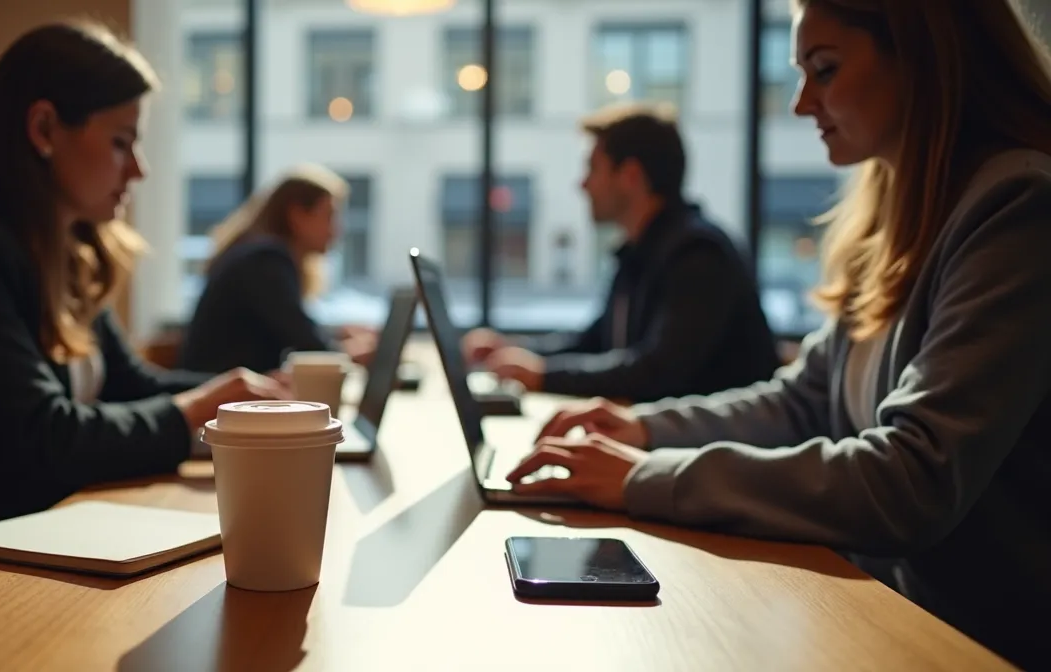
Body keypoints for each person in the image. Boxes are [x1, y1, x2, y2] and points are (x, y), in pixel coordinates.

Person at [508, 1, 1051, 667]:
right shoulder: (891, 219)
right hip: (879, 609)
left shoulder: (1019, 204)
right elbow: (800, 400)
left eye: (823, 70)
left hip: (971, 641)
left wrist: (646, 475)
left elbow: (913, 477)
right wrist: (642, 430)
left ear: (927, 59)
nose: (800, 104)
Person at [0, 21, 286, 630]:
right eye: (121, 141)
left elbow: (125, 385)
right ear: (43, 129)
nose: (137, 169)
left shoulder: (64, 250)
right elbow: (35, 440)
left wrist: (246, 395)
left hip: (15, 550)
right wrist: (197, 408)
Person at [462, 104, 779, 402]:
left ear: (630, 176)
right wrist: (516, 351)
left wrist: (544, 376)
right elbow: (594, 342)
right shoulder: (641, 251)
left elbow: (657, 372)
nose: (582, 184)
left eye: (593, 168)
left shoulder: (698, 255)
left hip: (711, 453)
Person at [179, 165, 377, 375]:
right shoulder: (264, 262)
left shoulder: (259, 255)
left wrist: (337, 335)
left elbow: (294, 327)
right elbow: (307, 342)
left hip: (236, 392)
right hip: (223, 398)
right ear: (297, 215)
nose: (337, 230)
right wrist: (350, 354)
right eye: (329, 216)